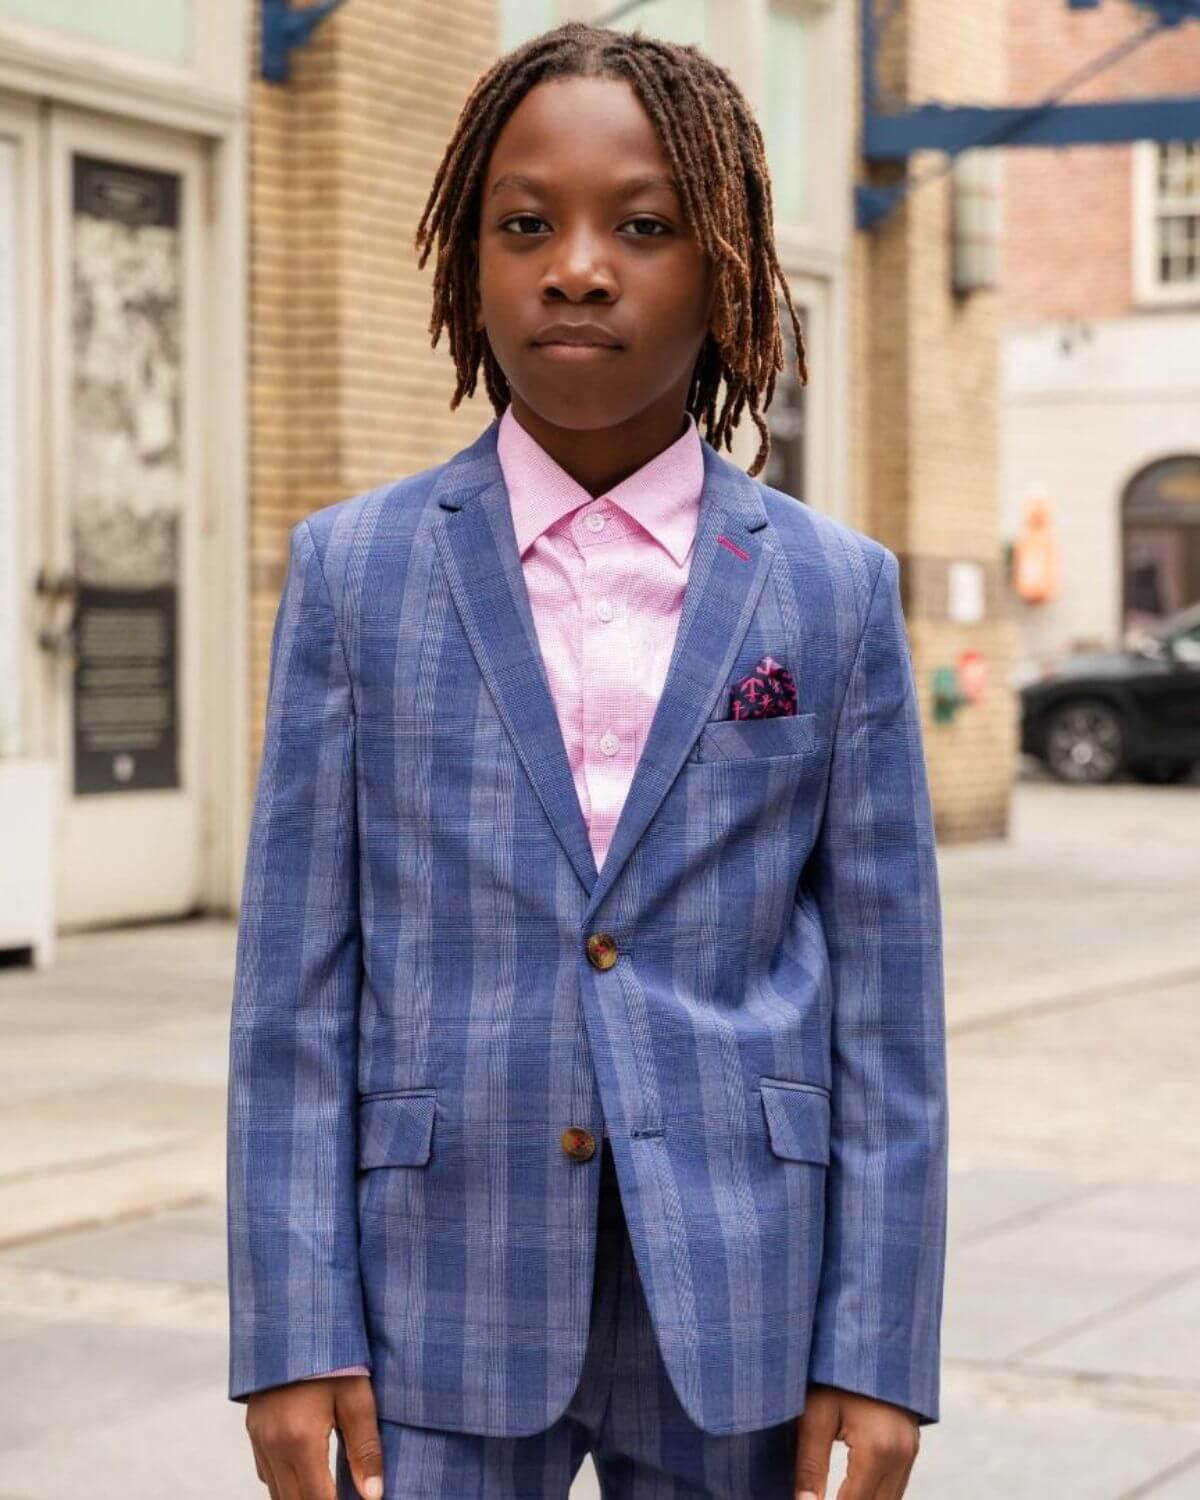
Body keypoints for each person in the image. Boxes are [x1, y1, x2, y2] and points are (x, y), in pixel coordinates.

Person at [226, 20, 948, 1500]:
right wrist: (292, 1330)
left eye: (642, 224)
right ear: (467, 261)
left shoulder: (831, 590)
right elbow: (292, 995)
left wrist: (879, 1346)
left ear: (732, 263)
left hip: (743, 1300)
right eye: (524, 223)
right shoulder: (356, 574)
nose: (576, 265)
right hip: (433, 1306)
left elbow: (890, 1008)